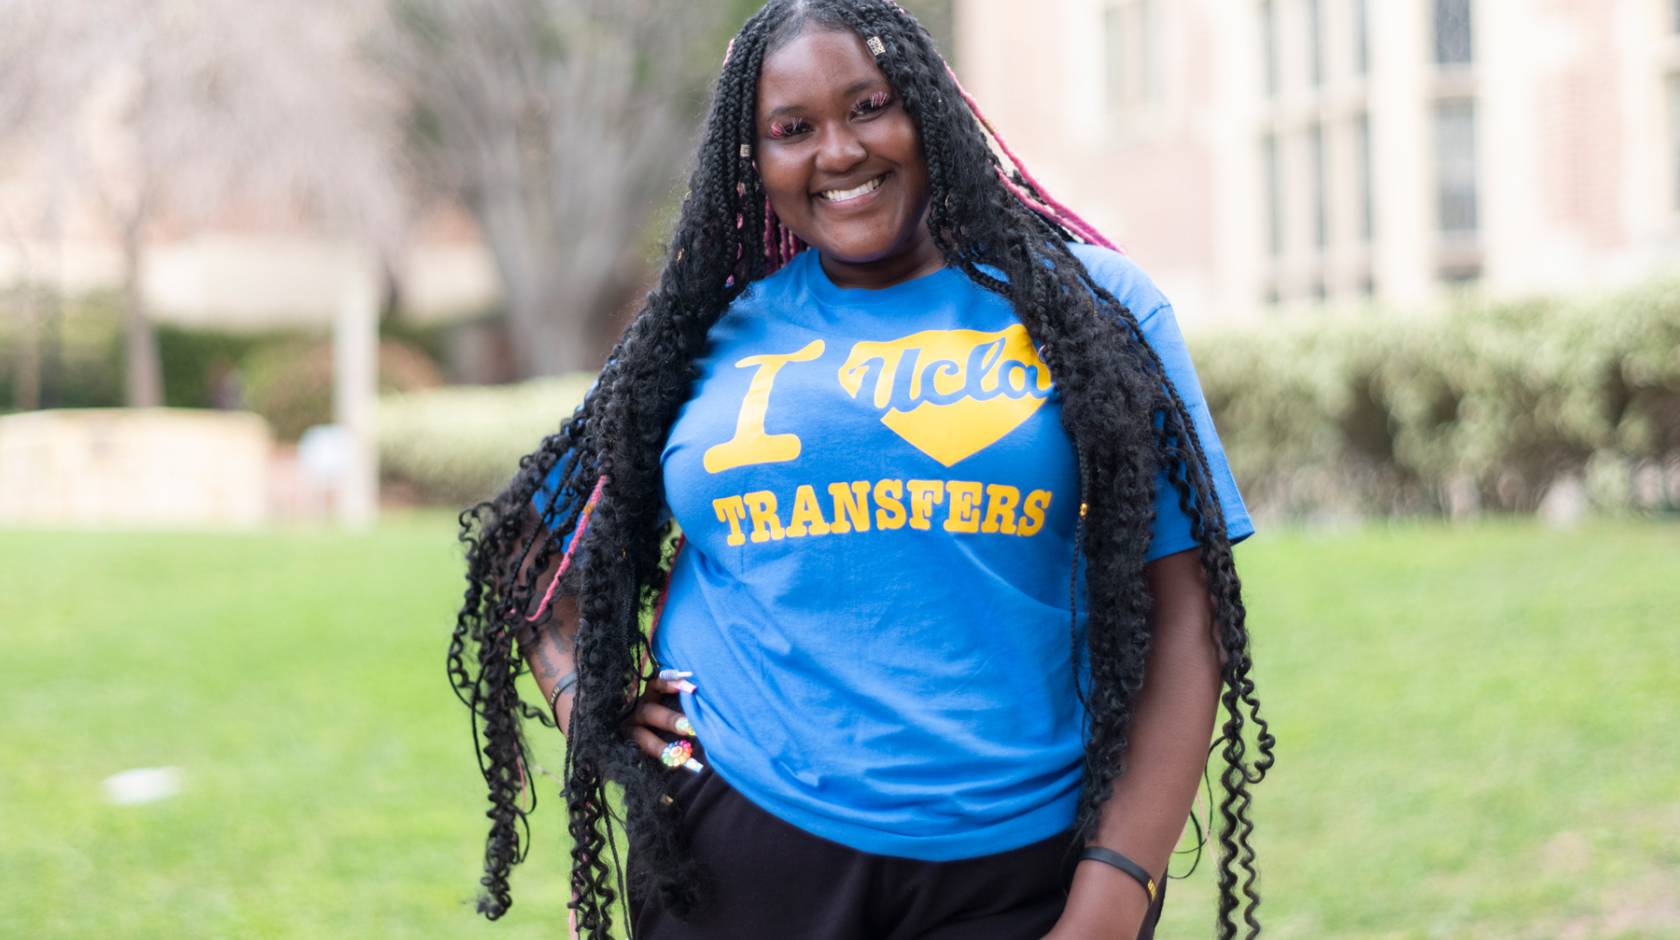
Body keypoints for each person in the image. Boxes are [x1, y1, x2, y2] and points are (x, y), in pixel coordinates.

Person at [448, 2, 1274, 938]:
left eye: (870, 107)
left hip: (1015, 868)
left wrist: (1113, 895)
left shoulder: (1093, 308)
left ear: (931, 108)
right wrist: (586, 703)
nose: (839, 152)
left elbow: (1189, 609)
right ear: (753, 159)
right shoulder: (703, 335)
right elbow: (529, 543)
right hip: (733, 858)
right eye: (792, 128)